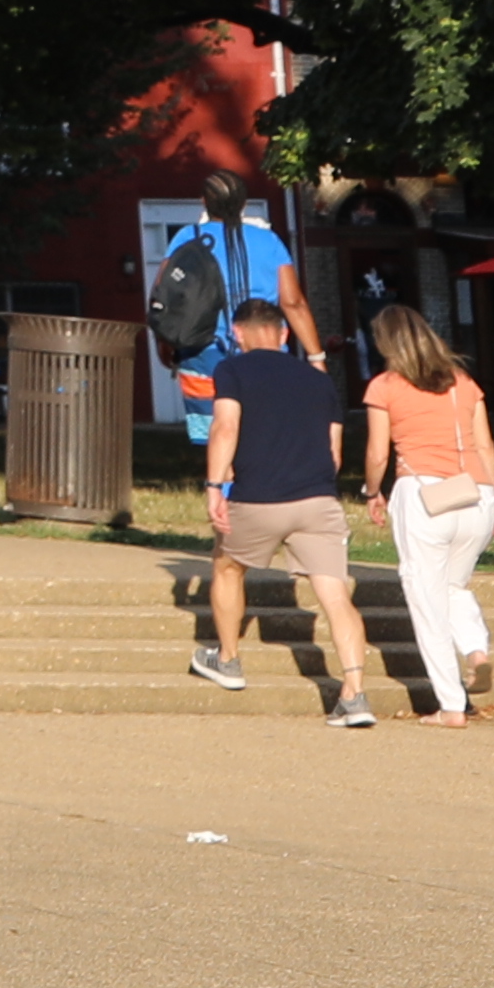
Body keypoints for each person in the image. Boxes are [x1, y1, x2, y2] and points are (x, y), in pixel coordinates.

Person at [187, 292, 380, 724]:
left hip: (258, 497)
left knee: (227, 567)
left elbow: (225, 427)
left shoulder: (230, 369)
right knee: (335, 596)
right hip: (317, 500)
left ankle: (229, 659)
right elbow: (334, 453)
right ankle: (354, 694)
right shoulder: (318, 380)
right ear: (284, 333)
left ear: (236, 334)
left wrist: (216, 485)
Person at [364, 307, 494, 722]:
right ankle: (476, 651)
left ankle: (451, 705)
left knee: (426, 598)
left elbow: (377, 453)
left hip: (424, 494)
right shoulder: (463, 383)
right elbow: (486, 446)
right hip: (476, 493)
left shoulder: (384, 386)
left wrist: (372, 491)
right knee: (453, 586)